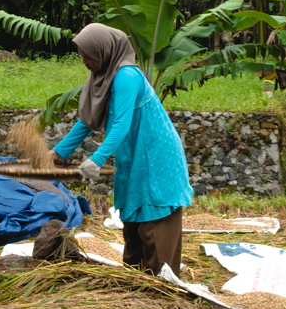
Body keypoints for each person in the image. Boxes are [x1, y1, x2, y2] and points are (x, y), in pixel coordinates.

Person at [52, 22, 193, 277]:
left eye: (88, 55)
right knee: (133, 223)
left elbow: (121, 124)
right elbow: (88, 121)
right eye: (82, 55)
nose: (84, 60)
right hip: (133, 153)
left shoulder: (126, 76)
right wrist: (58, 152)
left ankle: (162, 286)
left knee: (153, 220)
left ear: (104, 51)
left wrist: (96, 160)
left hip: (154, 154)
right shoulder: (103, 77)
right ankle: (136, 279)